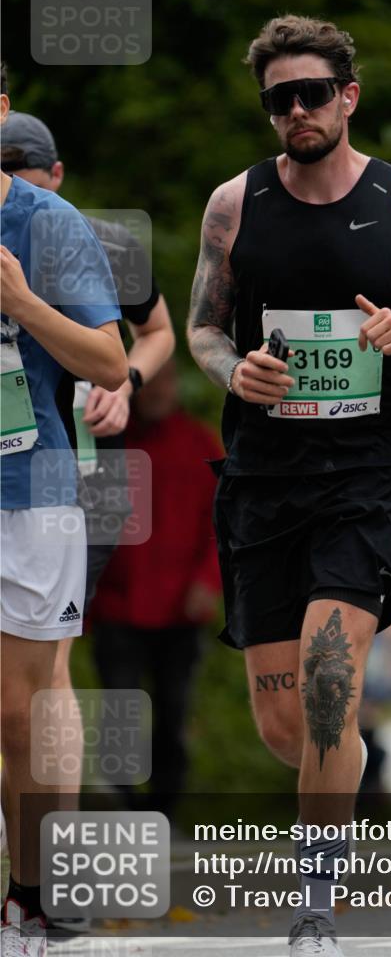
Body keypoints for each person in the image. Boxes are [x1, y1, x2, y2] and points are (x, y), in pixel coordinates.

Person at [186, 15, 391, 956]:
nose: (294, 112)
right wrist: (230, 370)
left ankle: (313, 901)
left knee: (328, 681)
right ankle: (348, 764)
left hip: (371, 473)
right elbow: (203, 328)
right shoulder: (232, 206)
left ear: (346, 98)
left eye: (310, 94)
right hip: (263, 478)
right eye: (277, 99)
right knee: (290, 722)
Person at [1, 109, 175, 937]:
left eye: (30, 169)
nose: (23, 181)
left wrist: (127, 383)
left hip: (61, 480)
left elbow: (150, 336)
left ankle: (45, 870)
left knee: (42, 682)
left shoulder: (84, 236)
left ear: (57, 173)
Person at [0, 63, 126, 956]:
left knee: (21, 708)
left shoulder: (47, 223)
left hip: (28, 488)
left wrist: (19, 303)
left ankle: (35, 885)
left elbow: (110, 361)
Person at [88, 359, 223, 820]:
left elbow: (224, 525)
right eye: (151, 383)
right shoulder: (108, 444)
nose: (160, 391)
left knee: (172, 709)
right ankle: (121, 808)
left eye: (167, 381)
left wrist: (208, 582)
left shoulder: (201, 443)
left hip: (181, 609)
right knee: (120, 709)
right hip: (116, 605)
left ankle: (164, 810)